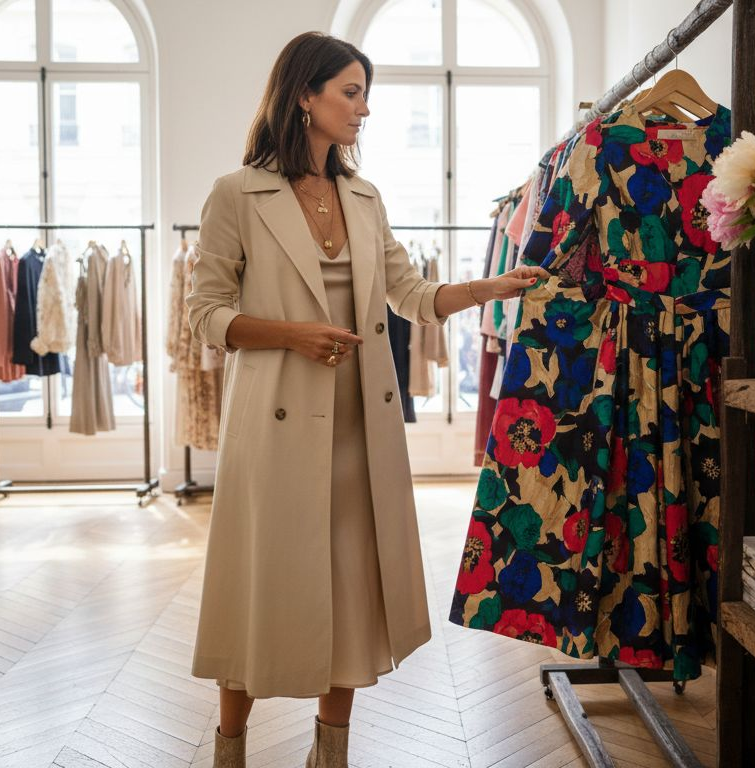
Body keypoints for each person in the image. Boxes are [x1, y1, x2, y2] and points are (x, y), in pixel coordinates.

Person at [185, 32, 549, 768]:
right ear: (303, 96)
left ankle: (332, 754)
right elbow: (204, 314)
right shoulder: (237, 193)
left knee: (350, 591)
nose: (364, 109)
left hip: (358, 422)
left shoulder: (362, 195)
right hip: (277, 419)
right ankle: (230, 751)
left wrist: (490, 287)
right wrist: (291, 335)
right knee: (257, 585)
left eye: (364, 93)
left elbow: (409, 294)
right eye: (350, 92)